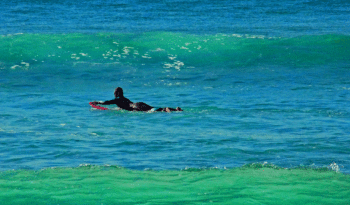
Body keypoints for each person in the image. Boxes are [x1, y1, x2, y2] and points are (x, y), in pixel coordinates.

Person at [92, 87, 183, 112]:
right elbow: (125, 106)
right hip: (137, 103)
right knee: (153, 109)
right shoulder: (125, 99)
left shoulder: (117, 99)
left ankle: (166, 110)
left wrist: (96, 102)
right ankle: (174, 109)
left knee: (151, 111)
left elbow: (106, 102)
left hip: (135, 107)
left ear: (116, 94)